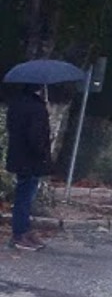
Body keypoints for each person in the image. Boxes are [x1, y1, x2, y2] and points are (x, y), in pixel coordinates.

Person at [5, 84, 51, 250]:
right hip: (31, 160)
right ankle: (20, 233)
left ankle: (23, 230)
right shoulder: (37, 109)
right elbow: (36, 137)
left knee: (23, 195)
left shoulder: (15, 104)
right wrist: (43, 153)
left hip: (18, 157)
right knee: (25, 197)